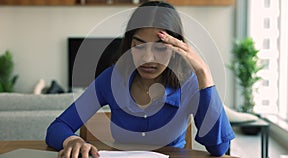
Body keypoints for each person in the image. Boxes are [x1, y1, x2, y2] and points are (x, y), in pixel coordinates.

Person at [46, 1, 235, 158]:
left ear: (177, 48)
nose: (147, 58)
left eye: (160, 48)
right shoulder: (112, 78)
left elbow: (219, 149)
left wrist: (203, 73)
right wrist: (73, 140)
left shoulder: (189, 83)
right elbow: (58, 127)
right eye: (139, 46)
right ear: (129, 44)